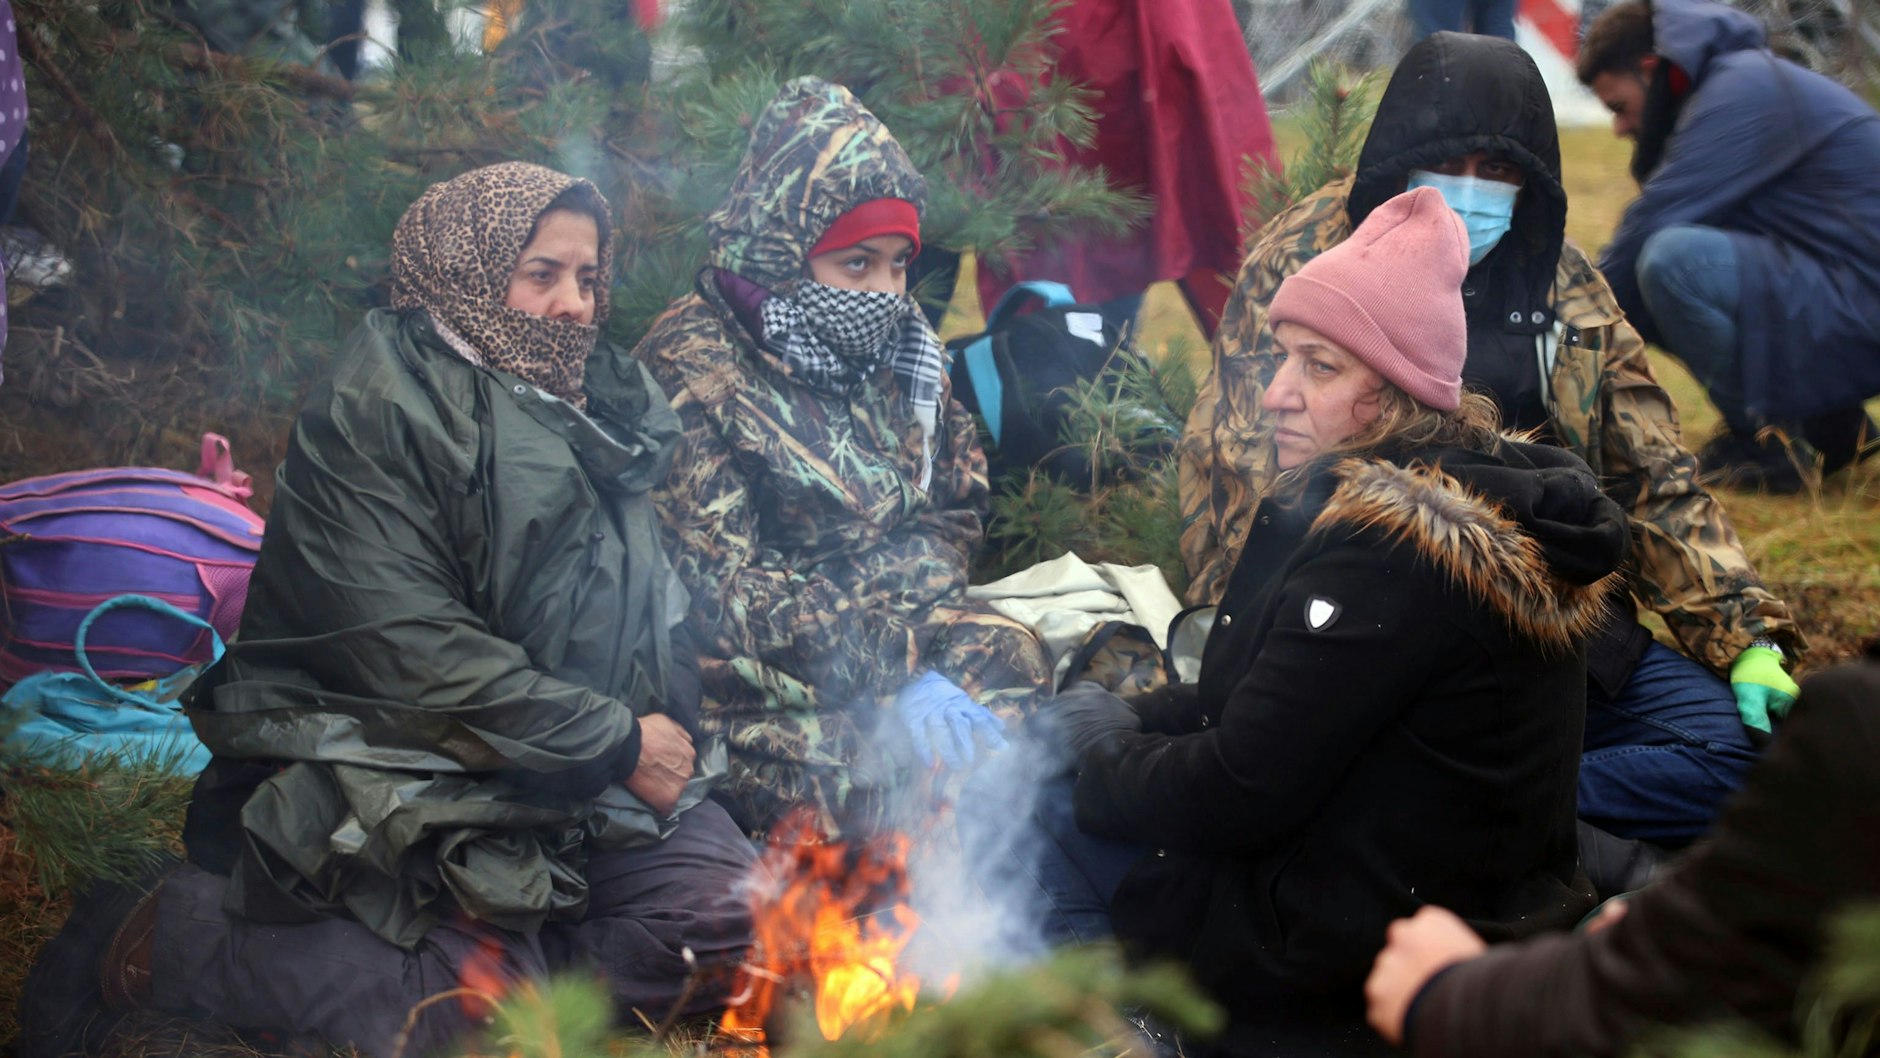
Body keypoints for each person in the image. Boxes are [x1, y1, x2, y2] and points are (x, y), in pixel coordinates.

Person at [17, 162, 757, 1058]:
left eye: (589, 278)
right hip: (400, 770)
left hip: (566, 781)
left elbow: (653, 607)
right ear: (463, 272)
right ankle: (172, 931)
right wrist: (617, 739)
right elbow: (409, 654)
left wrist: (659, 720)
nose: (574, 305)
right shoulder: (375, 412)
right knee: (463, 1015)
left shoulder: (597, 406)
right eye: (542, 274)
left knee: (739, 918)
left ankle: (513, 976)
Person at [1009, 187, 1626, 1048]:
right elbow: (1266, 704)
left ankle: (1148, 1032)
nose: (1276, 395)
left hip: (1341, 980)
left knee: (1029, 820)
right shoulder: (1471, 507)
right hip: (1445, 925)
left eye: (1320, 367)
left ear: (1399, 390)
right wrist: (1125, 715)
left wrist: (1100, 751)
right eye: (1284, 358)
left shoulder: (1392, 555)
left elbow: (1238, 790)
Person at [1178, 31, 1803, 867]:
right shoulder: (1308, 258)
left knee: (1751, 763)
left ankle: (1464, 819)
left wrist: (1749, 635)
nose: (1469, 189)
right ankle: (1526, 840)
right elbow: (1236, 466)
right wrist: (1252, 660)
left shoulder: (1561, 283)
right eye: (1448, 162)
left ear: (1531, 180)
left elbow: (1653, 478)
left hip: (1546, 632)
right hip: (1359, 626)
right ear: (1400, 157)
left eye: (1498, 169)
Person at [630, 77, 1052, 838]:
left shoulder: (904, 351)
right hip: (748, 674)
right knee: (871, 771)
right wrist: (890, 668)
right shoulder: (693, 366)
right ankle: (872, 894)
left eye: (898, 264)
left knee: (1012, 672)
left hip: (897, 629)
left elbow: (953, 511)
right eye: (857, 265)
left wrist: (903, 644)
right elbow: (721, 594)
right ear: (784, 257)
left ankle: (970, 885)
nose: (885, 292)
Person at [1365, 644, 1880, 1057]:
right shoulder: (1852, 721)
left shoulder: (1855, 727)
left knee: (1735, 766)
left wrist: (1449, 997)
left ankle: (1519, 821)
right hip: (1565, 656)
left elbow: (1684, 977)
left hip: (1604, 655)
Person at [1579, 0, 1880, 492]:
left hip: (1861, 295)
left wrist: (1560, 325)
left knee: (1673, 263)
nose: (1619, 127)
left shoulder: (1741, 89)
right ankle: (1832, 426)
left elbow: (1653, 222)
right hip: (1847, 285)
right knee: (1659, 273)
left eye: (1618, 107)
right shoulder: (1740, 80)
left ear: (1650, 69)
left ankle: (1767, 443)